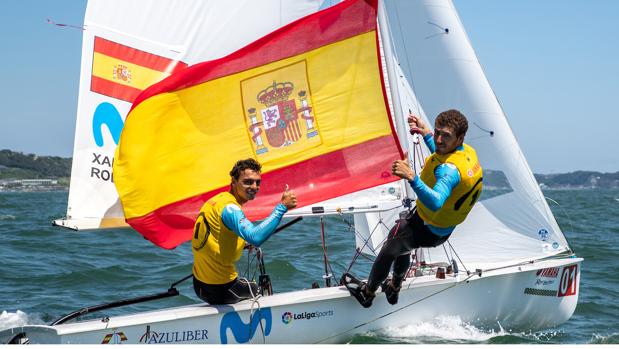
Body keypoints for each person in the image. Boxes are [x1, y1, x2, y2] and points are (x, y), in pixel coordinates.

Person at [345, 109, 483, 308]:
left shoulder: (450, 172)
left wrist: (411, 177)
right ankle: (394, 288)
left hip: (430, 228)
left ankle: (368, 293)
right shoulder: (466, 152)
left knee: (390, 248)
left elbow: (436, 201)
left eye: (446, 136)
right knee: (402, 243)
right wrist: (425, 133)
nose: (439, 139)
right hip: (437, 226)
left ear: (460, 138)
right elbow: (441, 155)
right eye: (437, 133)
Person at [192, 158, 297, 304]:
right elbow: (256, 237)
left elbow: (216, 236)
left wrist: (242, 243)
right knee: (258, 288)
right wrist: (282, 207)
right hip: (220, 290)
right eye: (247, 181)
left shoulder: (217, 201)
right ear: (234, 182)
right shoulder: (230, 208)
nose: (254, 186)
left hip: (199, 285)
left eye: (257, 182)